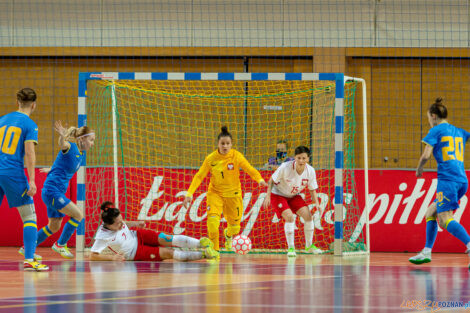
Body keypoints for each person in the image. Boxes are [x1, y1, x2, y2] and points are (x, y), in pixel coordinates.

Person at [183, 126, 268, 252]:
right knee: (212, 222)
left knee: (235, 228)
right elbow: (199, 176)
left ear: (231, 144)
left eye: (228, 143)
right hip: (215, 193)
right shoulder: (211, 159)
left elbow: (249, 169)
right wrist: (189, 193)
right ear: (218, 144)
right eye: (222, 143)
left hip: (233, 195)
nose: (225, 146)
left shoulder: (237, 156)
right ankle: (214, 250)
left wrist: (259, 179)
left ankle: (228, 235)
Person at [409, 97, 470, 267]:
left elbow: (426, 155)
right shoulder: (459, 131)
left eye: (429, 118)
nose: (429, 121)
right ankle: (426, 251)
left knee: (444, 218)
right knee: (431, 212)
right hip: (462, 180)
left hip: (448, 180)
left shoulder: (435, 131)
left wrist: (419, 169)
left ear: (434, 116)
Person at [0, 88, 49, 271]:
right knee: (30, 216)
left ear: (17, 102)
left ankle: (30, 256)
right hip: (12, 173)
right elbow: (29, 153)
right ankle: (29, 259)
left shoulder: (2, 120)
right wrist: (33, 180)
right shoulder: (30, 124)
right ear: (34, 105)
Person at [34, 120, 95, 259]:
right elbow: (63, 145)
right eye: (91, 140)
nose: (92, 144)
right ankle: (60, 245)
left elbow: (64, 166)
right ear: (82, 138)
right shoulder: (71, 147)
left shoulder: (81, 154)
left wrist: (52, 168)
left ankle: (27, 248)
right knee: (78, 215)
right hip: (52, 191)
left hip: (56, 192)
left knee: (54, 226)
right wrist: (62, 136)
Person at [90, 201, 219, 262]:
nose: (121, 224)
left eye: (121, 220)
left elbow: (123, 224)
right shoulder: (102, 236)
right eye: (118, 223)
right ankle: (205, 255)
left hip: (137, 235)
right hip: (134, 252)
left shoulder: (115, 222)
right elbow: (93, 256)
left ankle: (201, 244)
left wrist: (135, 223)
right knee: (168, 253)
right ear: (108, 225)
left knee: (167, 238)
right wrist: (112, 258)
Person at [262, 145, 323, 257]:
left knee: (308, 216)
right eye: (299, 158)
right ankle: (291, 248)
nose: (301, 161)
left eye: (304, 158)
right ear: (295, 157)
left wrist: (317, 204)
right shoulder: (285, 167)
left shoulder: (311, 171)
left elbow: (312, 189)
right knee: (289, 217)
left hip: (294, 195)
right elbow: (271, 180)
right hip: (278, 194)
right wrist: (268, 196)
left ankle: (309, 246)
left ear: (308, 159)